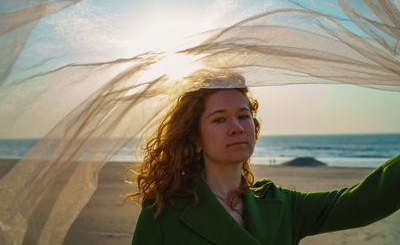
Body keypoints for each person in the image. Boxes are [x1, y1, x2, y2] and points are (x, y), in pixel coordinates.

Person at [126, 81, 400, 245]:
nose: (236, 127)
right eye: (219, 119)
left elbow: (363, 201)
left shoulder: (281, 204)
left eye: (243, 116)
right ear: (195, 136)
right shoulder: (163, 212)